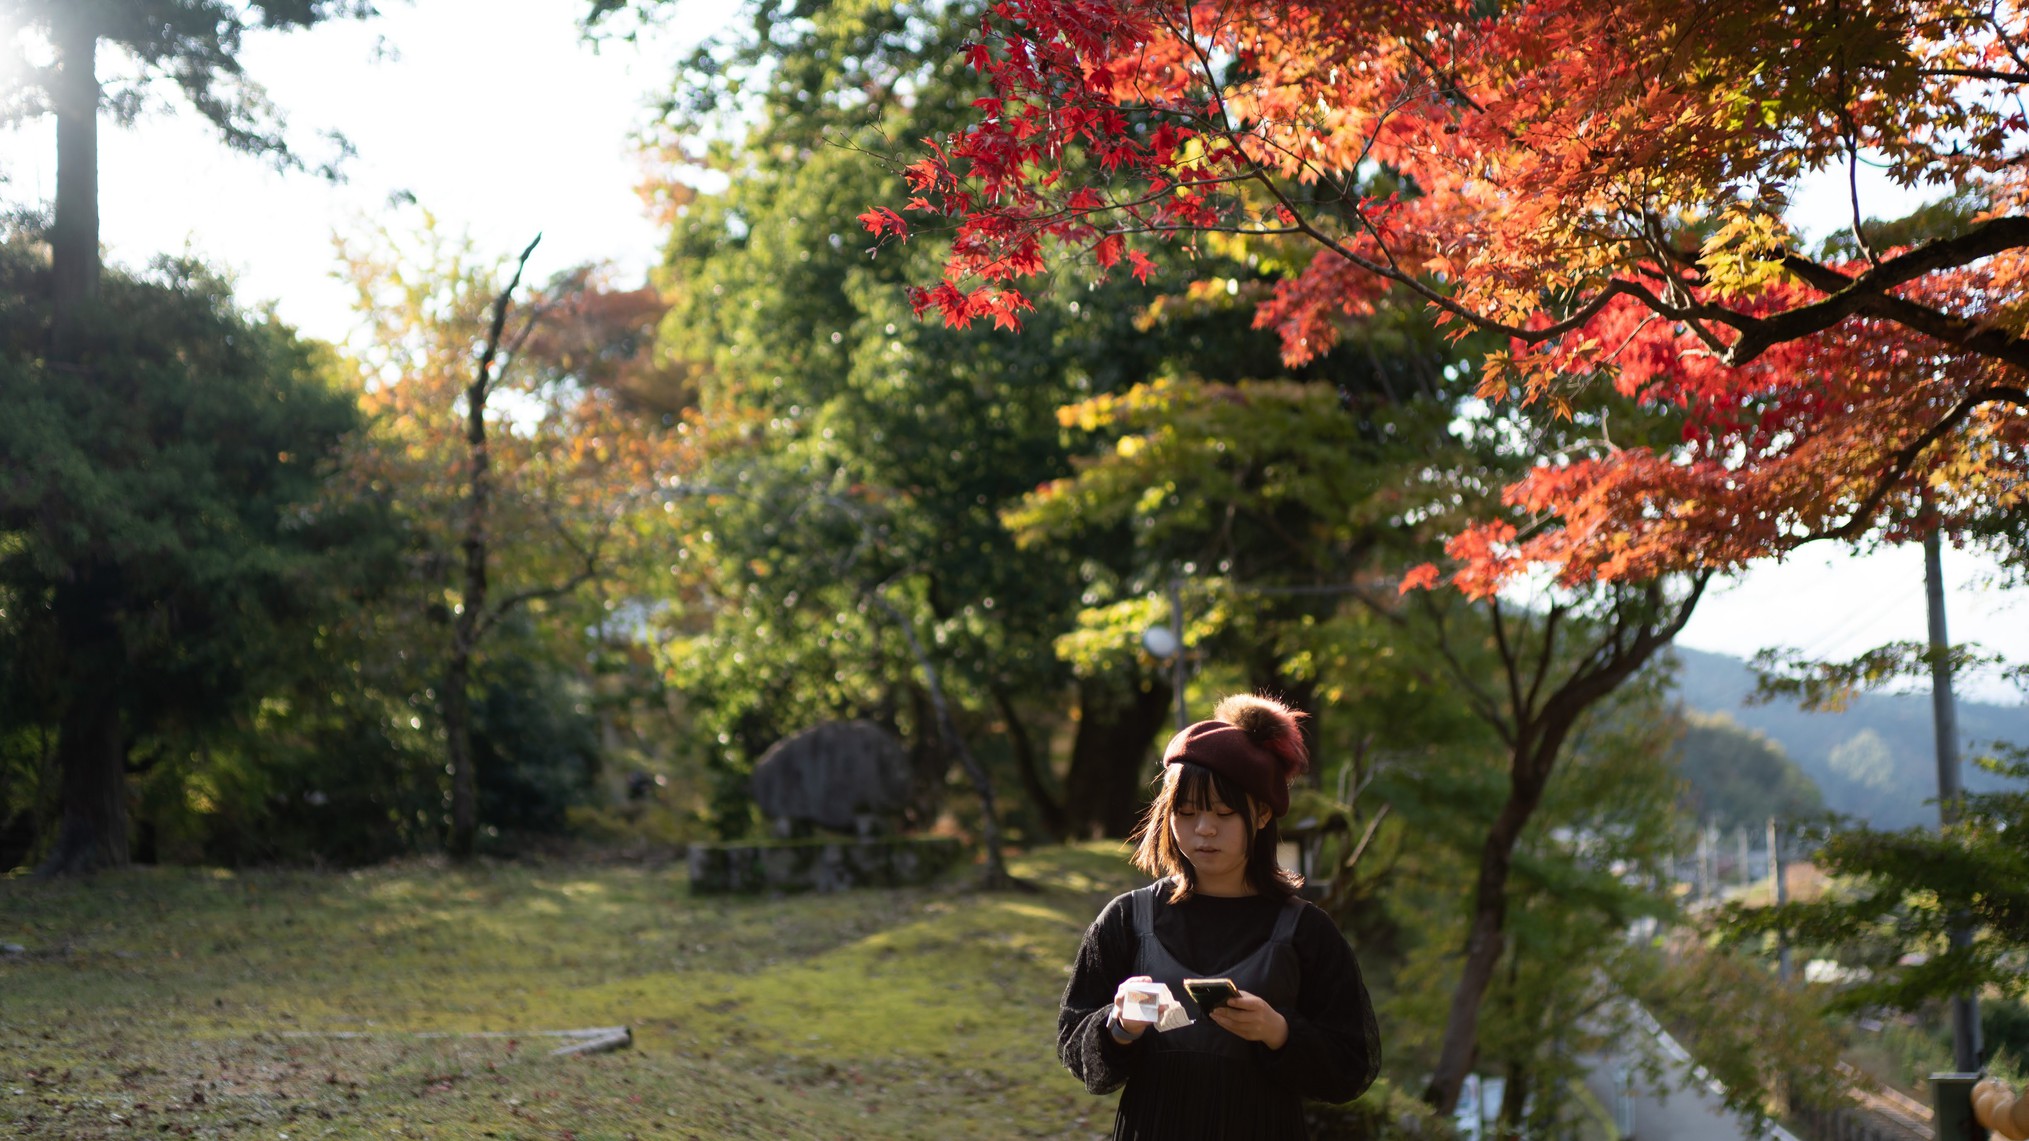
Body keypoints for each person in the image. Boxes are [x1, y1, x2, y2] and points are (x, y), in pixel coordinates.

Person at [1058, 693, 1380, 1140]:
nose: (1203, 829)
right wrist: (1119, 1024)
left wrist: (1279, 1031)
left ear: (1263, 813)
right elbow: (1076, 1049)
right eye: (1185, 813)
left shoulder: (1305, 932)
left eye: (1224, 814)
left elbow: (1351, 1068)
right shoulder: (1127, 919)